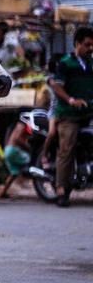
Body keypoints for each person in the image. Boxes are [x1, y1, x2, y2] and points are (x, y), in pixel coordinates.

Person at [49, 26, 93, 207]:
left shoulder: (90, 64)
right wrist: (71, 100)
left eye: (92, 45)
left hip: (88, 113)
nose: (91, 48)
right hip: (68, 115)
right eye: (87, 45)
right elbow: (57, 86)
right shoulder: (65, 63)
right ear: (77, 44)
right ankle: (61, 189)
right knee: (66, 150)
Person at [0, 120, 32, 198]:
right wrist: (27, 147)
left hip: (8, 150)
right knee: (29, 159)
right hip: (13, 150)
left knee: (14, 173)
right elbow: (17, 139)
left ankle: (3, 192)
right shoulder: (22, 125)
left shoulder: (18, 126)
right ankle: (24, 178)